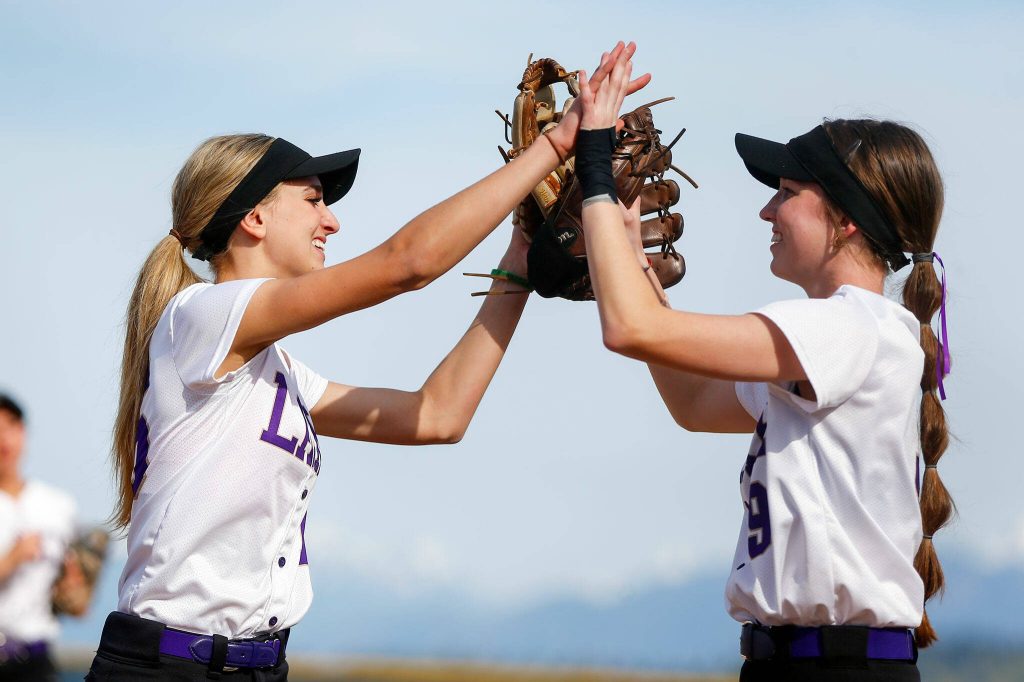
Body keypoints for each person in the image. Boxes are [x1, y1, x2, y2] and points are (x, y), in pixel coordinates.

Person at [86, 43, 649, 681]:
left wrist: (518, 255)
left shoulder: (274, 372)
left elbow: (437, 415)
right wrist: (555, 147)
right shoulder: (201, 317)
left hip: (248, 667)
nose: (331, 220)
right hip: (167, 668)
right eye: (314, 198)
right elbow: (406, 265)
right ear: (255, 217)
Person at [572, 69, 951, 682]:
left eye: (787, 192)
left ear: (847, 218)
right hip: (801, 662)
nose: (766, 209)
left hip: (835, 669)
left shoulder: (848, 328)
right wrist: (625, 247)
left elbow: (630, 330)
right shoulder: (842, 336)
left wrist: (594, 166)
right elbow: (694, 402)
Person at [0, 393, 88, 682]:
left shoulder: (59, 507)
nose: (4, 437)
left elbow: (79, 605)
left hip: (37, 662)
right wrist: (11, 559)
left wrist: (72, 590)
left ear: (23, 432)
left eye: (11, 425)